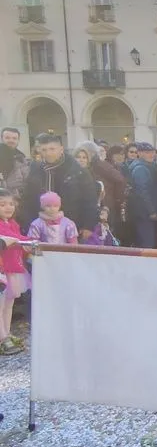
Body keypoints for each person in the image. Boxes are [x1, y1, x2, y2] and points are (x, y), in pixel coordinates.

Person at [21, 134, 98, 240]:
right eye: (44, 149)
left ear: (61, 149)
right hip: (40, 227)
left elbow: (90, 200)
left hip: (72, 226)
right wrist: (27, 223)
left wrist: (88, 225)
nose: (48, 153)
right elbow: (27, 199)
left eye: (52, 149)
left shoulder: (77, 171)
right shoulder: (35, 169)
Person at [0, 189, 30, 356]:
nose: (8, 207)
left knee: (9, 303)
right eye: (2, 204)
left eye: (11, 204)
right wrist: (31, 241)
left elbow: (17, 235)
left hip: (14, 267)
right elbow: (13, 238)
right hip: (3, 269)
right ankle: (2, 336)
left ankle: (7, 332)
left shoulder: (12, 223)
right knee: (1, 303)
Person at [127, 143, 157, 248]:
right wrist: (151, 211)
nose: (151, 155)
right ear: (140, 153)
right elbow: (142, 192)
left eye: (152, 152)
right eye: (147, 152)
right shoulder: (140, 169)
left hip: (147, 212)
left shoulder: (150, 166)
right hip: (144, 213)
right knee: (147, 243)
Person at [0, 127, 30, 199]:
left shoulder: (22, 158)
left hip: (18, 200)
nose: (11, 140)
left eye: (14, 138)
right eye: (7, 138)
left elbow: (27, 179)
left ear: (18, 140)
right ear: (1, 138)